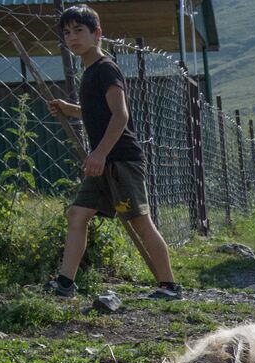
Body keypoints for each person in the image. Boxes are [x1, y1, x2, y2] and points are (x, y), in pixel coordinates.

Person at [45, 5, 180, 300]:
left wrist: (100, 154)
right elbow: (98, 113)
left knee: (140, 222)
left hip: (120, 159)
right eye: (67, 32)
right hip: (103, 160)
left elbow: (120, 115)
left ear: (97, 33)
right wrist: (70, 110)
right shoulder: (90, 70)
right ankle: (65, 283)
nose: (72, 38)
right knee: (77, 214)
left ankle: (169, 286)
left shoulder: (105, 68)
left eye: (79, 31)